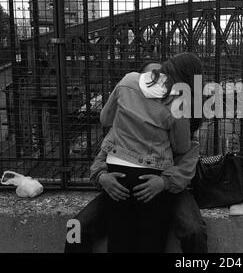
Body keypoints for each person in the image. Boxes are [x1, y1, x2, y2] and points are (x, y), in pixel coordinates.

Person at [65, 59, 207, 253]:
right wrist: (101, 177)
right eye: (151, 76)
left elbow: (187, 163)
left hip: (169, 186)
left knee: (194, 231)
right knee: (77, 226)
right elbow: (104, 153)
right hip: (123, 185)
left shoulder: (177, 111)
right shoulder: (126, 123)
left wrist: (164, 183)